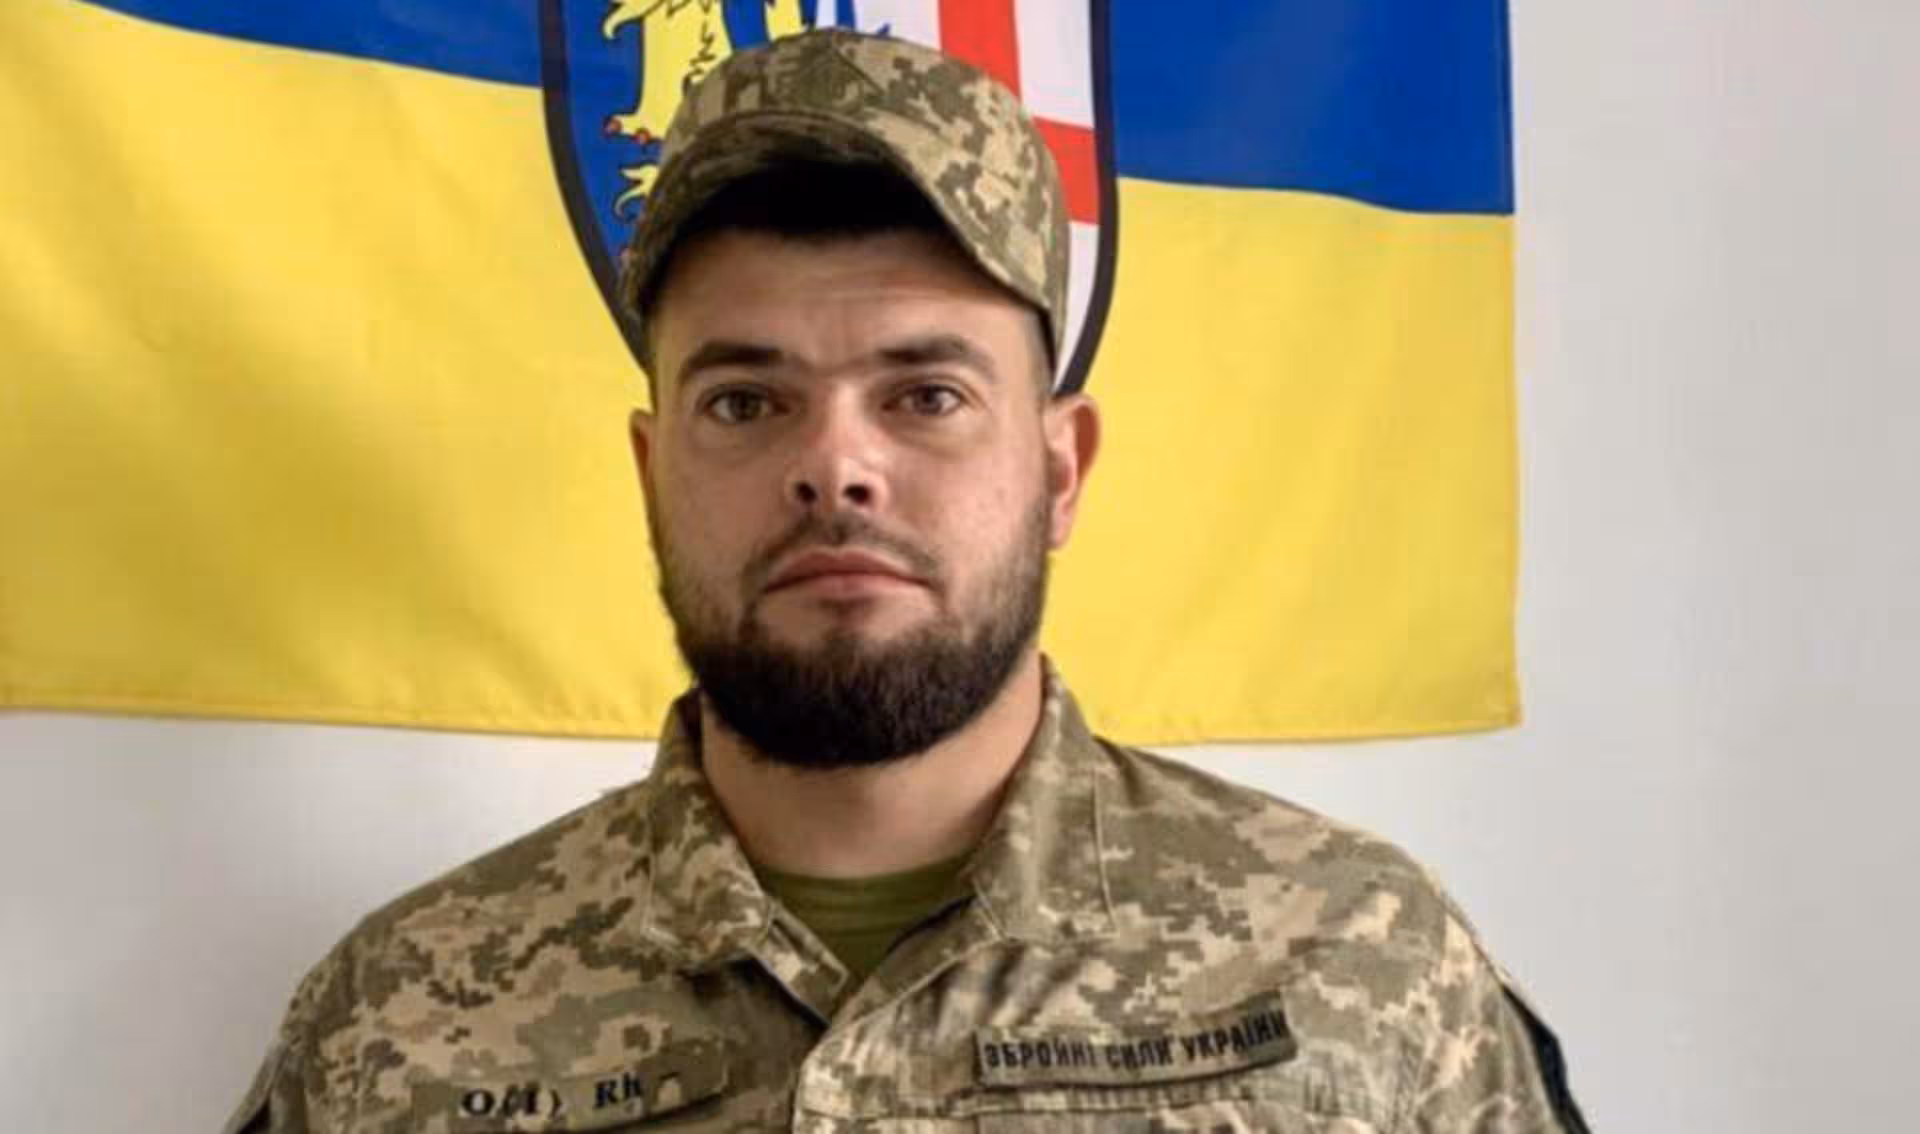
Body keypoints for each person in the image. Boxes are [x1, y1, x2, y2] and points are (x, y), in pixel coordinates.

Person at [227, 29, 1586, 1133]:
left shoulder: (1359, 969)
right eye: (746, 402)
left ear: (1060, 467)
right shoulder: (399, 1024)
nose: (836, 467)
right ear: (651, 473)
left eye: (926, 394)